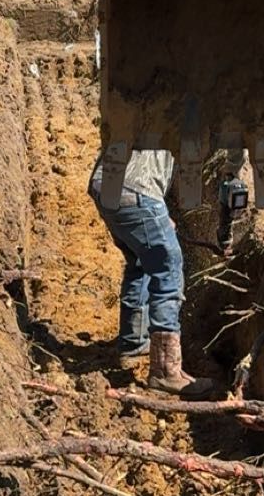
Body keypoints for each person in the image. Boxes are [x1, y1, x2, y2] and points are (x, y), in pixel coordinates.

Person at [89, 146, 211, 392]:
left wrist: (157, 212)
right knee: (169, 266)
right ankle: (165, 370)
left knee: (140, 259)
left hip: (105, 182)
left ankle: (133, 342)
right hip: (135, 189)